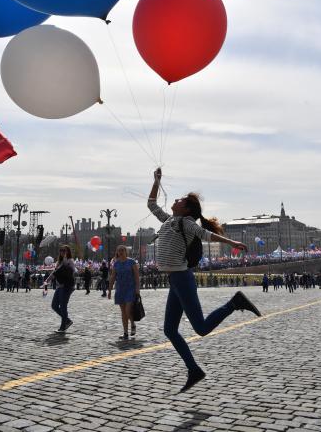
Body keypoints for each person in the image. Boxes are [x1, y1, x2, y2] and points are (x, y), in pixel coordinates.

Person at [148, 168, 261, 392]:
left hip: (182, 279)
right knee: (170, 330)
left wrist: (232, 243)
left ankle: (234, 303)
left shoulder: (187, 223)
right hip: (175, 281)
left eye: (180, 199)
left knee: (200, 328)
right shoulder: (170, 219)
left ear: (187, 208)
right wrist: (156, 181)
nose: (176, 199)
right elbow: (152, 203)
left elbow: (207, 235)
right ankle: (194, 370)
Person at [108, 245, 140, 340]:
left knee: (128, 310)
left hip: (130, 289)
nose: (121, 252)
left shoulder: (131, 262)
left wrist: (137, 289)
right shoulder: (116, 264)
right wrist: (109, 290)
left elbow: (137, 277)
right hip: (120, 290)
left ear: (126, 252)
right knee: (123, 312)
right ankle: (125, 332)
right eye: (119, 251)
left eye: (122, 250)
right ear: (117, 252)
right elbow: (113, 277)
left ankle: (133, 324)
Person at [46, 245, 76, 331]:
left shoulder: (70, 261)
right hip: (59, 286)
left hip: (67, 286)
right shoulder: (58, 262)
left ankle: (63, 326)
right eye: (61, 250)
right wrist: (47, 281)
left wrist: (65, 260)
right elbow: (54, 272)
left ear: (68, 252)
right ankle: (67, 320)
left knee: (63, 306)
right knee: (54, 305)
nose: (62, 252)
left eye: (64, 251)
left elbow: (72, 271)